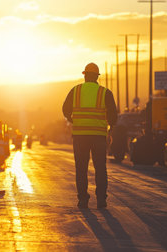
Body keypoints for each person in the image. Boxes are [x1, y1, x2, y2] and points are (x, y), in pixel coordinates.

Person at [62, 63, 117, 209]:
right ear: (97, 77)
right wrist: (110, 129)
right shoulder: (105, 92)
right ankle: (101, 200)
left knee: (81, 168)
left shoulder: (75, 91)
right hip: (98, 136)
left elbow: (65, 109)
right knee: (100, 168)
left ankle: (83, 200)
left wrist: (72, 120)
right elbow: (113, 116)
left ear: (85, 75)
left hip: (80, 136)